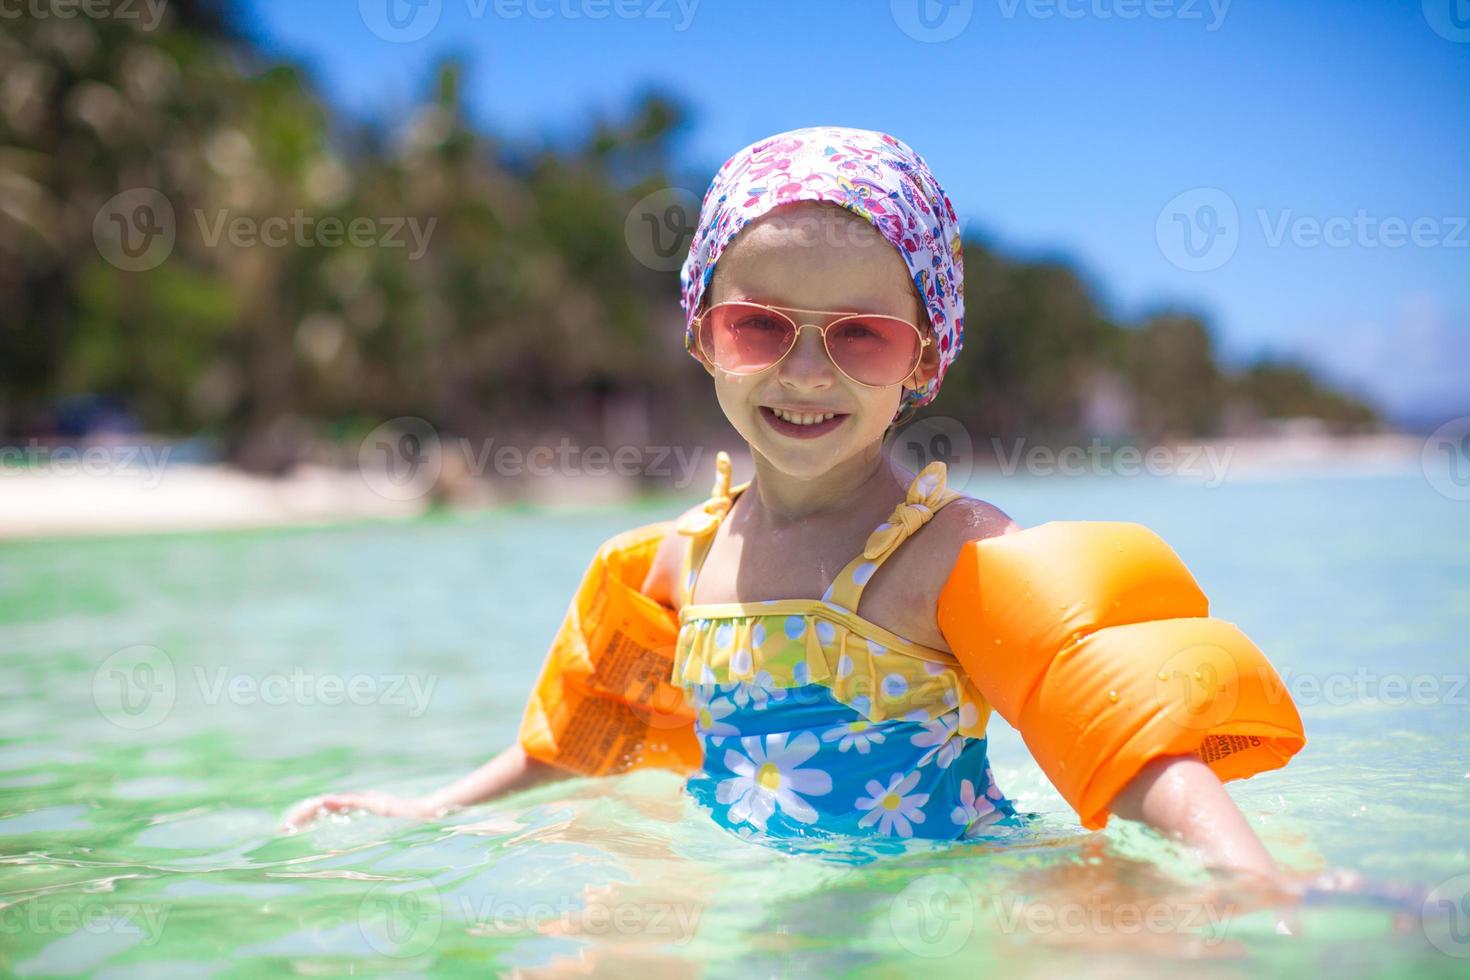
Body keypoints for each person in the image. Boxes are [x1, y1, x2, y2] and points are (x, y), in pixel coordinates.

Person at [284, 126, 1299, 887]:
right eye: (759, 324)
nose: (805, 370)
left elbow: (1118, 735)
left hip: (936, 883)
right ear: (701, 335)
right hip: (754, 885)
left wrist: (1256, 882)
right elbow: (576, 740)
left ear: (926, 356)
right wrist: (425, 810)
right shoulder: (671, 564)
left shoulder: (957, 552)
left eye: (860, 335)